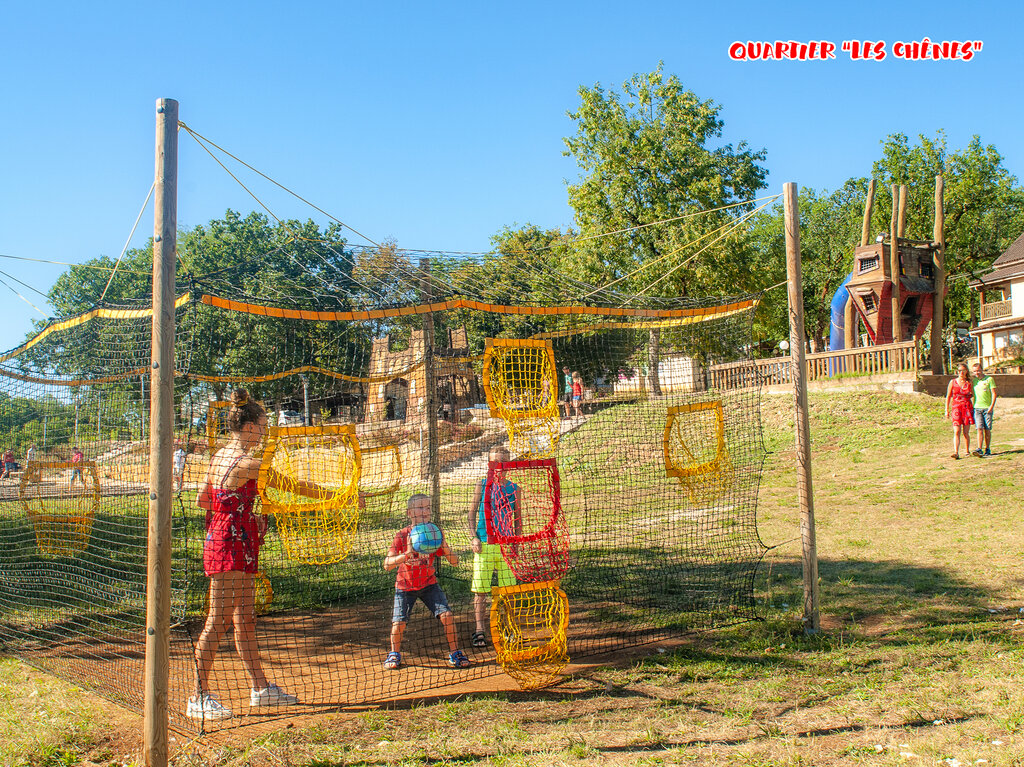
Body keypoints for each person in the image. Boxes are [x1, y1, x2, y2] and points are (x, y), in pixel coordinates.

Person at [188, 388, 299, 721]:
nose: (265, 430)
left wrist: (237, 513)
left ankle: (261, 688)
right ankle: (198, 695)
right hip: (228, 545)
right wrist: (344, 494)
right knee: (218, 620)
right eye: (263, 424)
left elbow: (203, 501)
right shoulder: (249, 462)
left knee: (244, 620)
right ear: (250, 426)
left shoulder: (219, 455)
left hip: (236, 540)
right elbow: (292, 486)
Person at [383, 494, 469, 670]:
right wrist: (406, 554)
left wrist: (444, 546)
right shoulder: (402, 535)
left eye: (428, 508)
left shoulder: (434, 533)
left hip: (429, 584)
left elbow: (454, 561)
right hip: (405, 586)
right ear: (409, 512)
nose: (425, 511)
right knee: (399, 622)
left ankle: (455, 652)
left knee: (447, 615)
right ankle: (394, 653)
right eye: (420, 508)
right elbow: (387, 565)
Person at [467, 447, 520, 648]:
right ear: (489, 464)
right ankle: (479, 629)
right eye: (495, 463)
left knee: (508, 591)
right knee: (481, 591)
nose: (499, 467)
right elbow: (471, 514)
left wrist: (516, 543)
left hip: (506, 545)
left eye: (503, 462)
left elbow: (518, 520)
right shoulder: (482, 485)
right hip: (485, 545)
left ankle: (508, 628)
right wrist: (474, 538)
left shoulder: (515, 489)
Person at [944, 363, 974, 460]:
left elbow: (973, 394)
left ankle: (967, 451)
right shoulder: (952, 382)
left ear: (966, 371)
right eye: (959, 370)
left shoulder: (969, 382)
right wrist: (946, 410)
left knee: (966, 432)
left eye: (963, 370)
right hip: (956, 408)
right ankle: (956, 452)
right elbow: (948, 396)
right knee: (957, 431)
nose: (961, 372)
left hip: (966, 408)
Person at [971, 362, 997, 457]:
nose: (977, 373)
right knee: (979, 428)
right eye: (974, 371)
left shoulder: (989, 379)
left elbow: (994, 393)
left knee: (987, 429)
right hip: (977, 408)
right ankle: (979, 448)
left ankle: (987, 448)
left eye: (978, 370)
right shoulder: (974, 381)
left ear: (982, 369)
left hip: (987, 408)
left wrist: (991, 406)